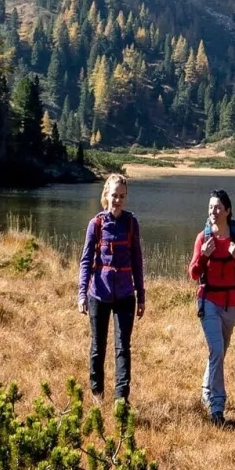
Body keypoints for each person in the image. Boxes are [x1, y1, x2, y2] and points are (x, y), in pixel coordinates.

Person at [77, 173, 145, 403]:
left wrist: (141, 296)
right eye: (114, 195)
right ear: (106, 195)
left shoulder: (131, 223)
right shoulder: (95, 224)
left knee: (122, 347)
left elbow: (137, 261)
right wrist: (82, 294)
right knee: (98, 347)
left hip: (126, 295)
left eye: (122, 196)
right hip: (99, 294)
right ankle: (97, 394)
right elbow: (86, 260)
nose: (118, 200)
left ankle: (120, 399)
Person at [189, 188, 235, 424]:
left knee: (219, 353)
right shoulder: (203, 238)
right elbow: (194, 273)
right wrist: (203, 255)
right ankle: (217, 406)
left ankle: (205, 391)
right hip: (208, 301)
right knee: (216, 351)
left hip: (231, 304)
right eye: (210, 207)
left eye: (217, 207)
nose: (213, 211)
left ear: (227, 210)